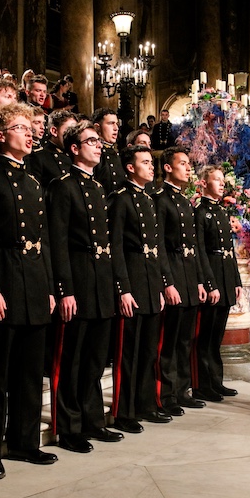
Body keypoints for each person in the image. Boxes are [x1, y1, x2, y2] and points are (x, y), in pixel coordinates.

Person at [0, 103, 58, 480]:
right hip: (3, 280)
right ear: (1, 136)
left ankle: (25, 442)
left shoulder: (35, 182)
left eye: (30, 127)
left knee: (29, 371)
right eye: (21, 127)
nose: (30, 132)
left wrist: (51, 287)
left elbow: (45, 240)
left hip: (35, 283)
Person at [47, 120, 122, 452]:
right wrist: (64, 289)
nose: (98, 145)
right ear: (74, 149)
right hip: (77, 280)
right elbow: (58, 243)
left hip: (101, 282)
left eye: (98, 141)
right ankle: (69, 427)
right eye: (91, 140)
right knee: (72, 360)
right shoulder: (63, 186)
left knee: (94, 360)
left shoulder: (97, 188)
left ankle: (93, 420)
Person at [109, 145, 169, 433]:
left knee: (148, 352)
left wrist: (158, 286)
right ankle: (124, 411)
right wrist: (123, 289)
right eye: (145, 162)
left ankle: (146, 404)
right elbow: (116, 248)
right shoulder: (120, 200)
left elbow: (155, 250)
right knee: (128, 354)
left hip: (149, 283)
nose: (151, 166)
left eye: (151, 162)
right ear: (130, 168)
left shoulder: (148, 200)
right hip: (131, 283)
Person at [155, 147, 209, 413]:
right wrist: (167, 282)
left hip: (188, 276)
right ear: (167, 167)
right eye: (183, 164)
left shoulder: (185, 201)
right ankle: (165, 394)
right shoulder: (161, 199)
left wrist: (199, 281)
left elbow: (194, 246)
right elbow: (160, 246)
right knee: (170, 340)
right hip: (174, 274)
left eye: (189, 164)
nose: (189, 169)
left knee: (186, 339)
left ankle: (182, 389)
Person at [193, 165, 242, 402]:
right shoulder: (200, 212)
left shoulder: (222, 212)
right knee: (206, 337)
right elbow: (200, 251)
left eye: (223, 180)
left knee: (217, 337)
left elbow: (229, 251)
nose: (222, 184)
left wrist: (236, 280)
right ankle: (203, 384)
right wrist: (209, 283)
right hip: (212, 276)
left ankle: (216, 381)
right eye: (217, 180)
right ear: (203, 183)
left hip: (225, 277)